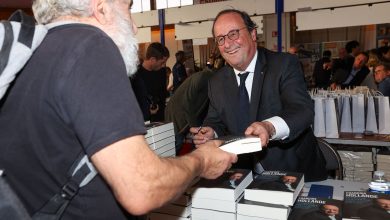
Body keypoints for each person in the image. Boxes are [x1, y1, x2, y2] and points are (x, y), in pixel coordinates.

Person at [0, 0, 237, 219]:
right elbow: (143, 187)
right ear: (101, 8)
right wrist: (202, 161)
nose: (134, 27)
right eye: (128, 8)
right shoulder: (90, 46)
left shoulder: (38, 52)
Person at [190, 9, 326, 182]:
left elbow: (302, 110)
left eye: (233, 34)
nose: (227, 44)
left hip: (293, 173)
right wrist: (210, 132)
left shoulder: (284, 64)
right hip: (242, 174)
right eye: (221, 39)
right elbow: (215, 120)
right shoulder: (216, 81)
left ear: (253, 34)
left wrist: (269, 127)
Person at [132, 42, 170, 122]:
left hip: (160, 119)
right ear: (152, 59)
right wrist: (147, 111)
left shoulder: (162, 72)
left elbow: (163, 94)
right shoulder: (135, 75)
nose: (163, 65)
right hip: (143, 121)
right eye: (162, 62)